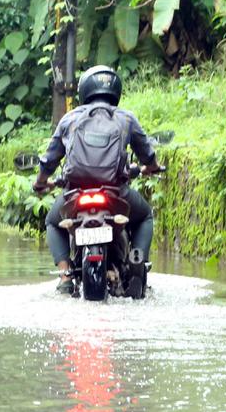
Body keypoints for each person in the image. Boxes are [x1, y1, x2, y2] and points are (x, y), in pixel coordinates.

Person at [33, 65, 162, 295]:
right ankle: (137, 263)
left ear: (84, 90)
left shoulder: (70, 119)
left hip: (74, 194)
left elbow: (49, 160)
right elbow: (148, 154)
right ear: (116, 91)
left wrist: (41, 182)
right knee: (145, 216)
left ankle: (64, 276)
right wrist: (151, 168)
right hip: (116, 194)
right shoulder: (126, 119)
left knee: (53, 222)